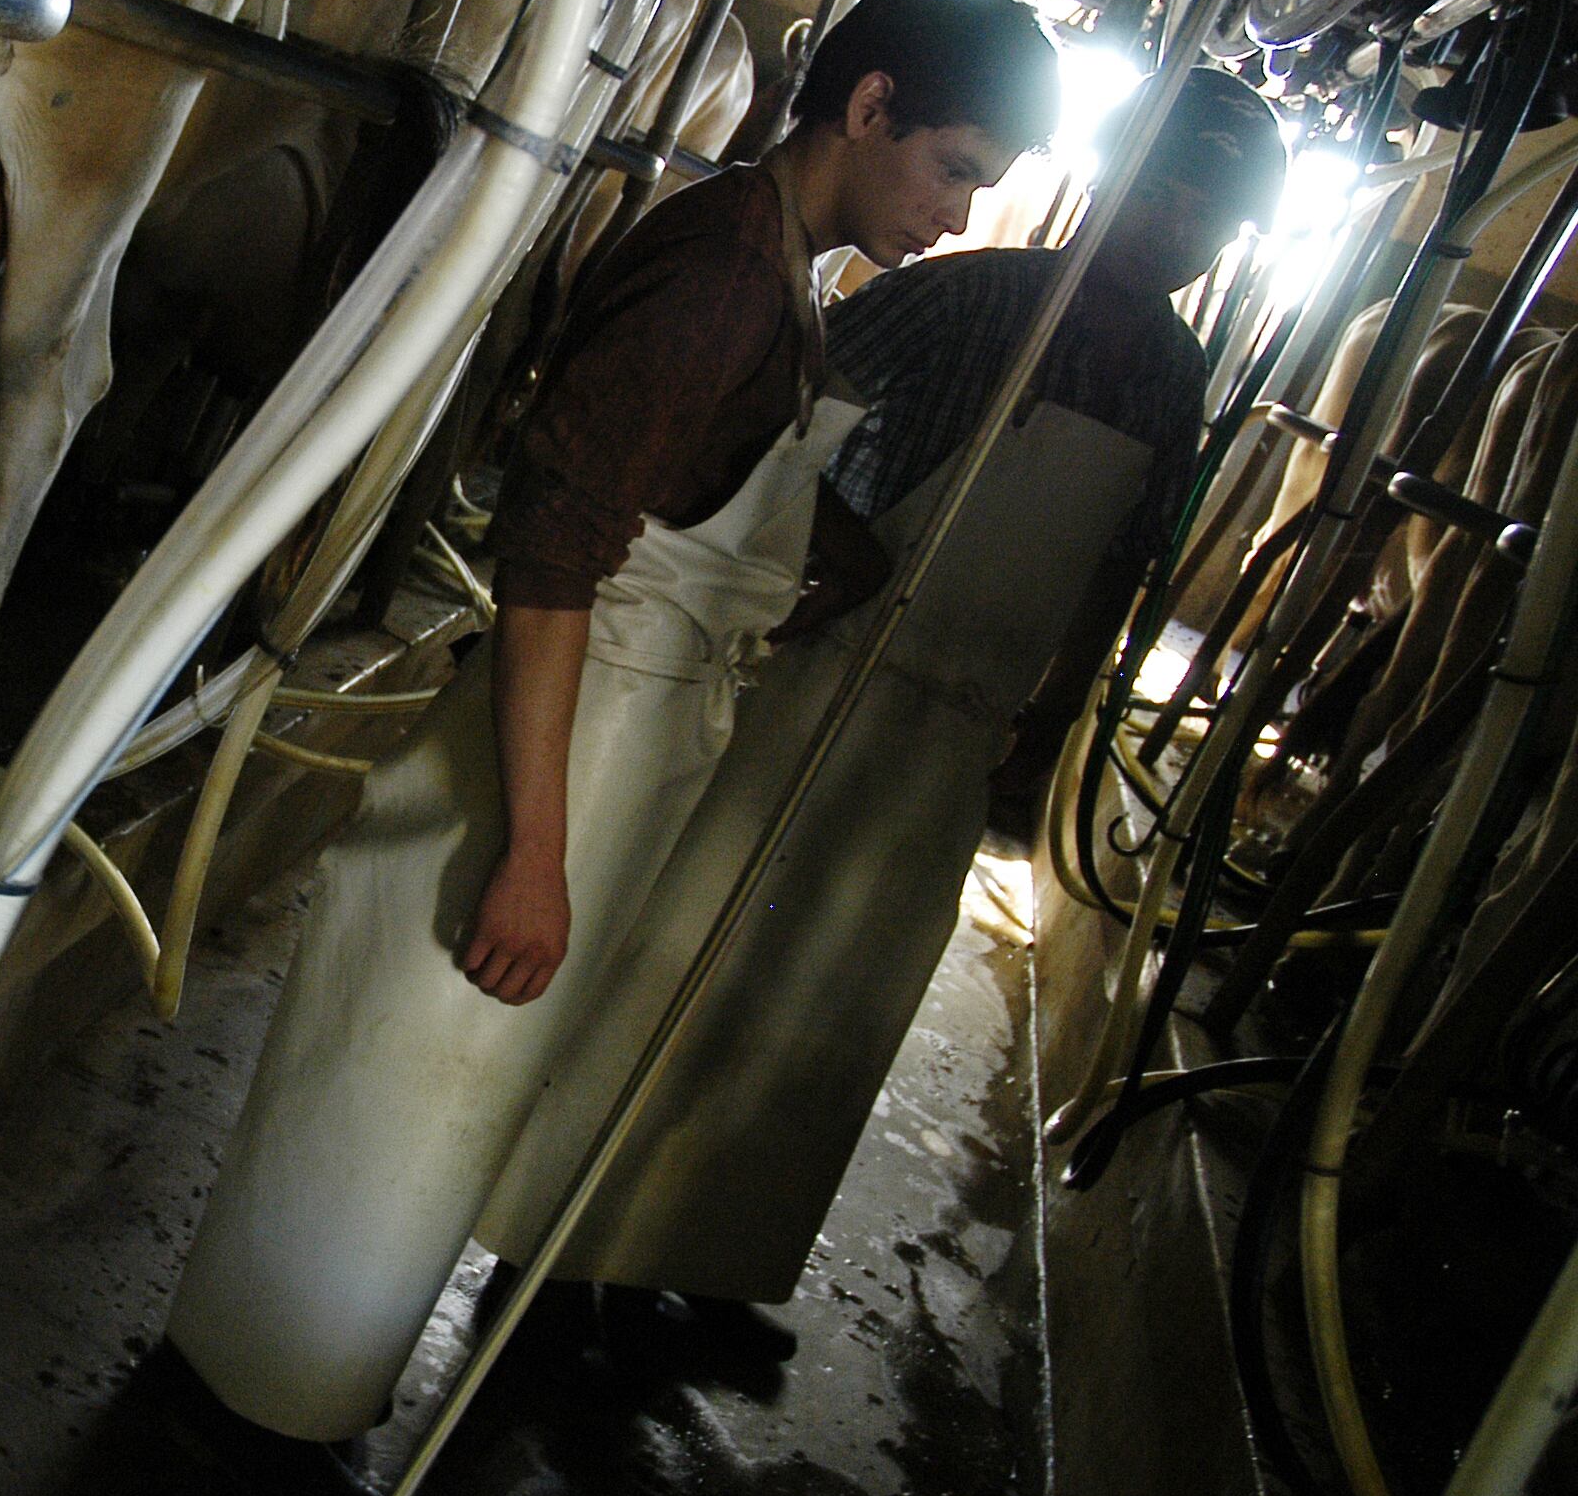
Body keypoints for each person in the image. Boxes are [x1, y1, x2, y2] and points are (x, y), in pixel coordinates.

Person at [157, 0, 1062, 1477]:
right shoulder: (718, 273)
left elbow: (677, 491)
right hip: (550, 757)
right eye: (954, 168)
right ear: (871, 107)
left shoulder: (776, 272)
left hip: (607, 747)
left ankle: (291, 1396)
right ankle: (235, 1412)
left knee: (432, 1113)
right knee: (389, 1099)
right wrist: (533, 849)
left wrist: (808, 546)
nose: (960, 218)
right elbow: (553, 555)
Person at [462, 67, 1287, 1309]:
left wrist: (1056, 714)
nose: (1175, 231)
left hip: (950, 721)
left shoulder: (1176, 386)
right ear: (1111, 182)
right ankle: (554, 1261)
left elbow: (1124, 562)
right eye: (1164, 194)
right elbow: (770, 430)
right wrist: (829, 535)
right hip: (816, 676)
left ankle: (702, 1265)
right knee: (689, 959)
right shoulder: (960, 299)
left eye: (1206, 220)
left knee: (825, 1006)